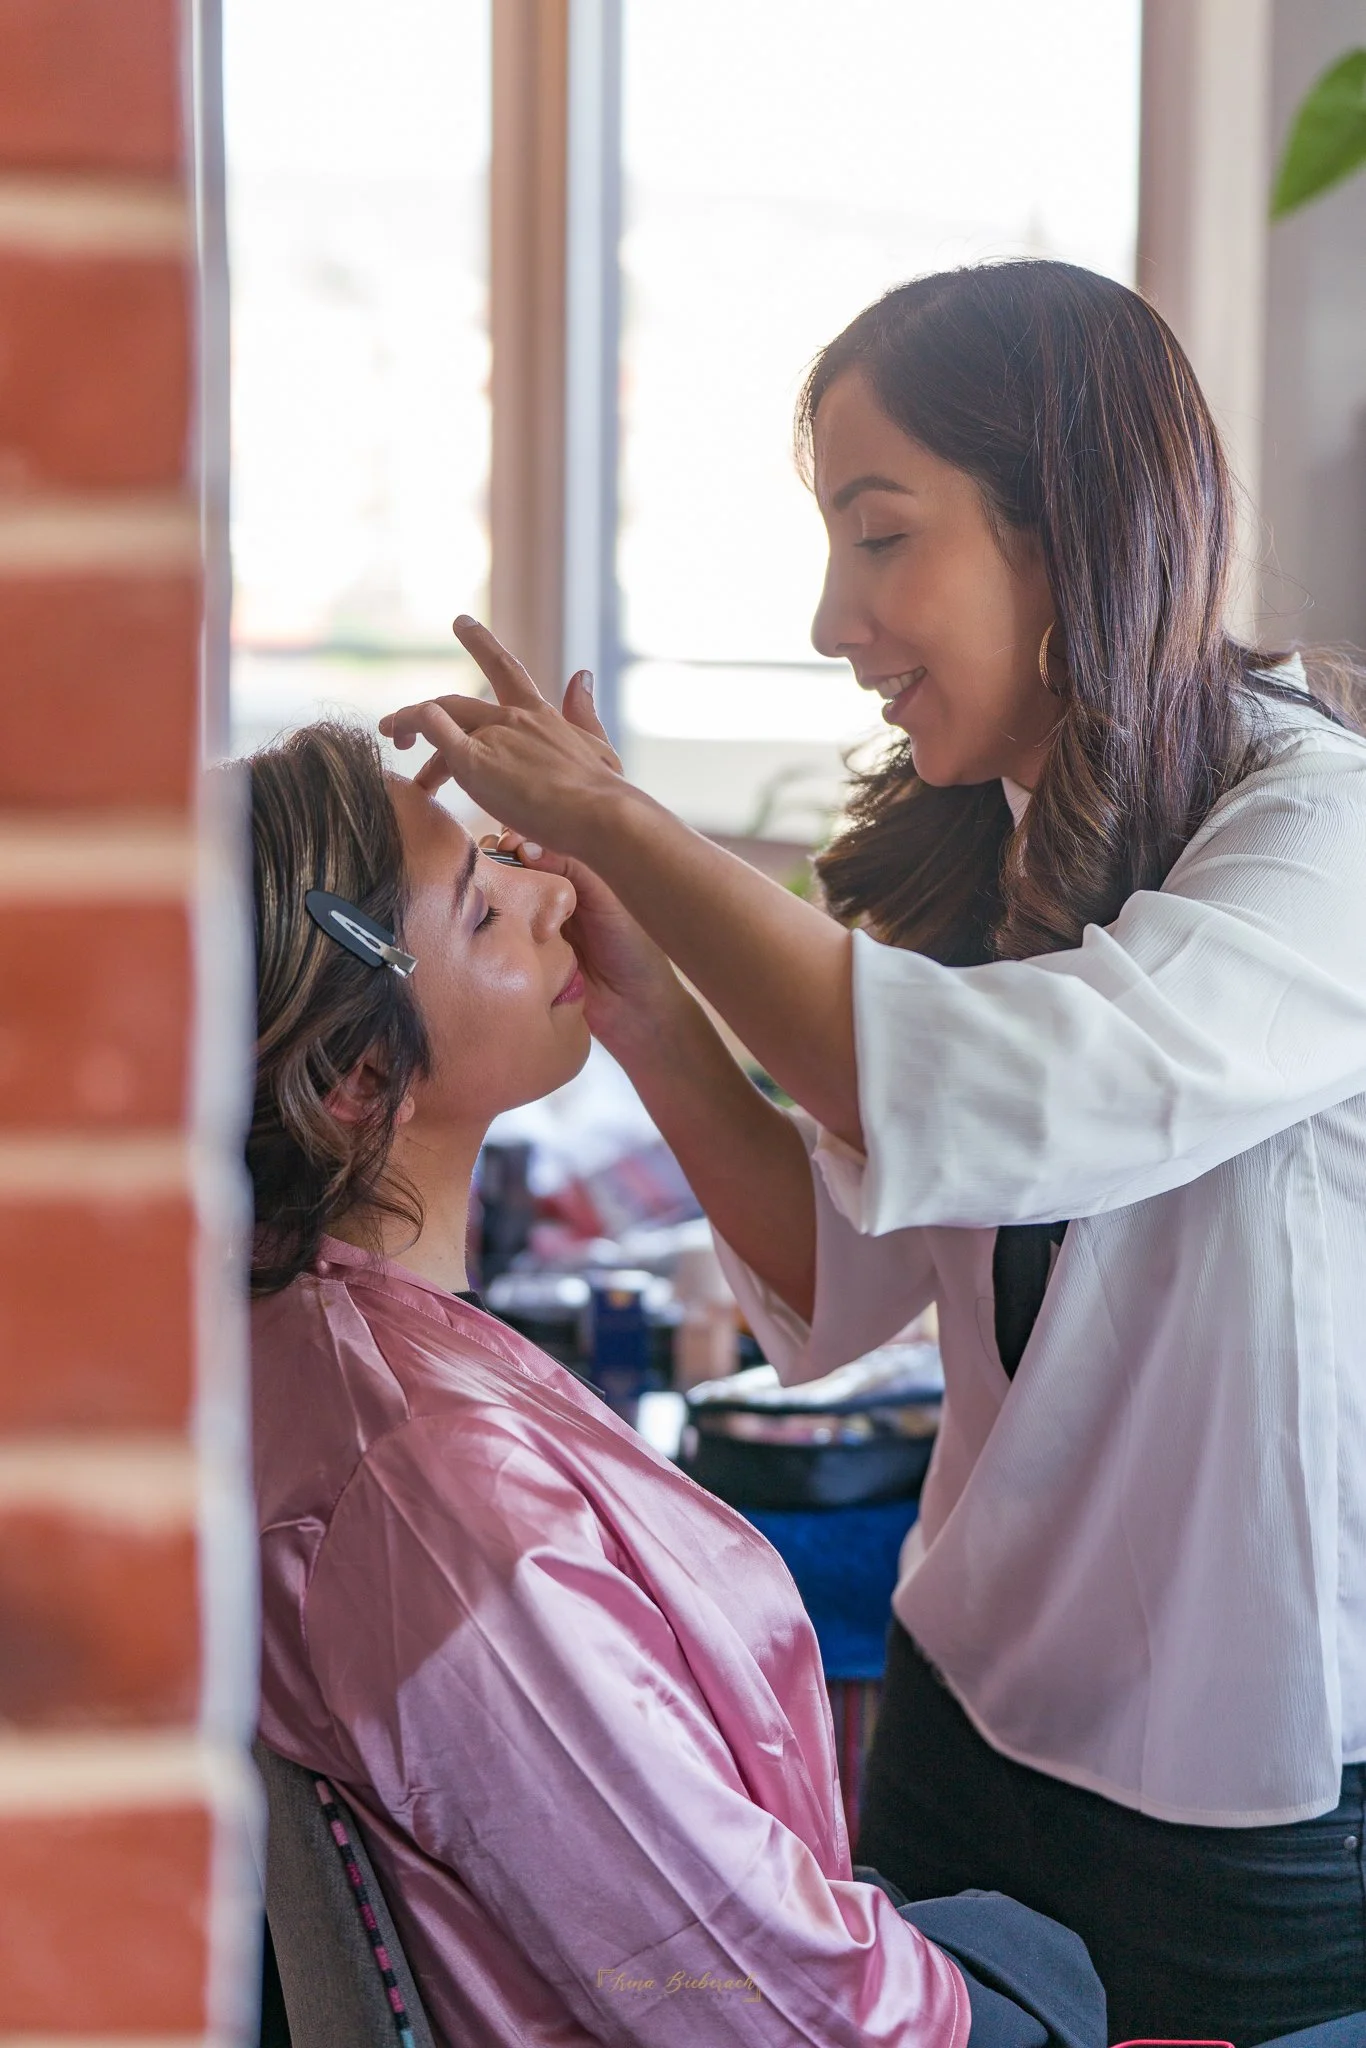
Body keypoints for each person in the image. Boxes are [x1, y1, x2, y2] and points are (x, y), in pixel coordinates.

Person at [380, 259, 1366, 2043]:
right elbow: (838, 1285)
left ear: (1067, 525)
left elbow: (1029, 1093)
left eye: (880, 536)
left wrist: (624, 823)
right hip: (962, 1709)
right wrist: (641, 995)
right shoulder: (985, 843)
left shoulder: (1322, 837)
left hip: (1238, 1784)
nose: (837, 620)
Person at [240, 721, 1103, 2048]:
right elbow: (758, 1997)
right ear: (364, 1079)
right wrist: (1018, 1996)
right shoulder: (436, 1500)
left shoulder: (299, 1350)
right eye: (484, 906)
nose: (555, 890)